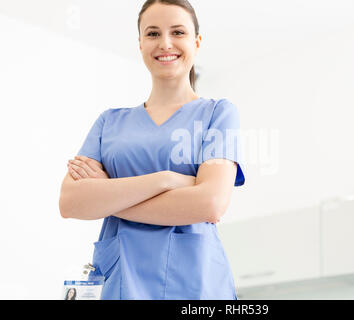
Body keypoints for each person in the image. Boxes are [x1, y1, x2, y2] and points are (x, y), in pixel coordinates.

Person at [62, 0, 245, 300]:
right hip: (121, 281)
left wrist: (105, 196)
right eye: (152, 34)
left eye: (177, 32)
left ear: (196, 42)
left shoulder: (218, 114)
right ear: (140, 44)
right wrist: (167, 179)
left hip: (196, 284)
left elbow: (210, 203)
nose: (165, 43)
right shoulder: (109, 122)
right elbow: (70, 202)